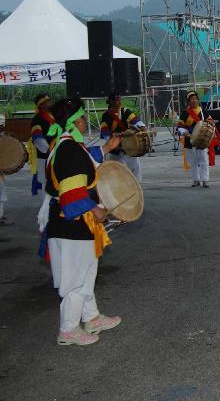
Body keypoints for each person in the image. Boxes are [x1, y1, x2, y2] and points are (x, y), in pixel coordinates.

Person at [43, 97, 122, 345]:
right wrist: (97, 210)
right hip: (73, 221)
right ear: (77, 119)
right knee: (76, 277)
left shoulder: (64, 143)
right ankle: (67, 330)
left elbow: (84, 161)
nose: (86, 120)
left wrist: (107, 148)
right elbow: (72, 191)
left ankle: (92, 318)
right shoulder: (70, 149)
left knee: (87, 271)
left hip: (67, 221)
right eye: (83, 116)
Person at [100, 93, 146, 181]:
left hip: (128, 144)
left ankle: (136, 185)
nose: (119, 101)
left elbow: (138, 123)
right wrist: (112, 142)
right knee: (113, 169)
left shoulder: (126, 112)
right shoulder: (106, 115)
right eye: (117, 99)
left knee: (135, 167)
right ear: (110, 101)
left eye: (120, 98)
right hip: (114, 145)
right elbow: (105, 132)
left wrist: (144, 131)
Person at [176, 91, 212, 188]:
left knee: (204, 159)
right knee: (193, 161)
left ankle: (205, 180)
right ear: (188, 101)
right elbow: (179, 127)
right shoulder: (185, 113)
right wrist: (184, 132)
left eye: (195, 98)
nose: (194, 100)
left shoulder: (203, 111)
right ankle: (196, 180)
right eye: (192, 99)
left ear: (198, 100)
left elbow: (210, 123)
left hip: (201, 140)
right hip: (189, 139)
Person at [30, 93, 56, 197]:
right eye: (48, 102)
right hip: (45, 156)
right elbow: (38, 139)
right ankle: (45, 210)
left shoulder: (53, 116)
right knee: (45, 183)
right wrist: (50, 151)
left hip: (54, 154)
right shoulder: (37, 119)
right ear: (41, 105)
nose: (51, 103)